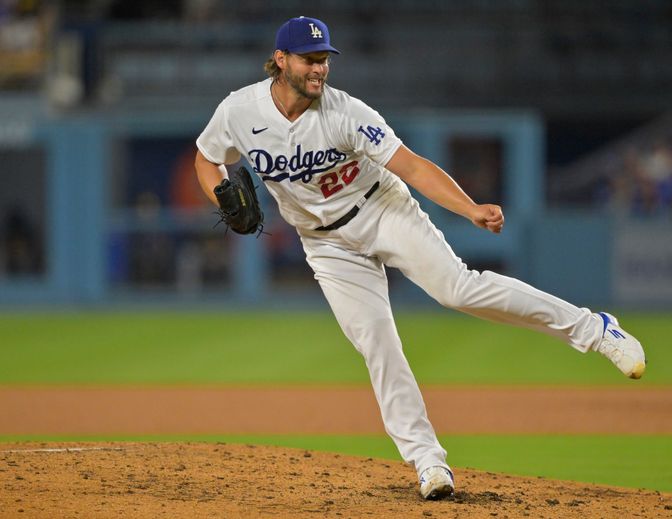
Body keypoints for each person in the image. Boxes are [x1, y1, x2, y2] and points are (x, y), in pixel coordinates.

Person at [195, 16, 646, 500]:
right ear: (280, 61)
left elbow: (411, 166)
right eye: (310, 60)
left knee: (458, 288)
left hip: (382, 209)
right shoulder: (240, 110)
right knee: (377, 344)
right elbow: (207, 157)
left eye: (324, 59)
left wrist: (469, 208)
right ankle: (429, 463)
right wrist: (221, 196)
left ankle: (595, 329)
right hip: (324, 243)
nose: (320, 69)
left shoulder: (346, 112)